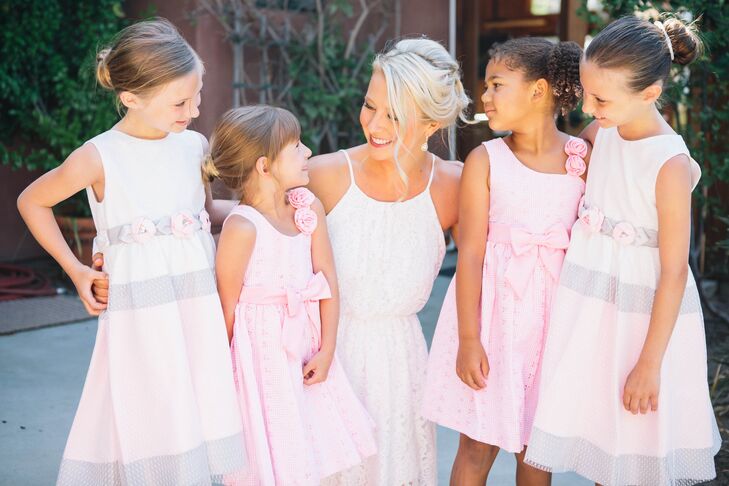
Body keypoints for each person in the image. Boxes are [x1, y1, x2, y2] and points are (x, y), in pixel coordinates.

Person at [16, 18, 247, 485]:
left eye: (196, 96)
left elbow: (202, 213)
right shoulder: (100, 156)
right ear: (131, 98)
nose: (194, 109)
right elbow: (32, 200)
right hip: (141, 314)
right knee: (146, 403)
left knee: (194, 401)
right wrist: (77, 270)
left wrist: (258, 210)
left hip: (195, 308)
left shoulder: (193, 146)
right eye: (180, 102)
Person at [525, 16, 721, 485]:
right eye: (588, 94)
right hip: (590, 307)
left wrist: (650, 364)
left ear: (650, 93)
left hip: (641, 321)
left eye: (601, 99)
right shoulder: (603, 133)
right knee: (599, 433)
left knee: (630, 444)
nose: (589, 108)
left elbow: (674, 272)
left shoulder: (669, 163)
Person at [422, 37, 588, 486]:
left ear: (538, 91)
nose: (485, 97)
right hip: (495, 324)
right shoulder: (486, 160)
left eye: (496, 85)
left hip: (554, 325)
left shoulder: (582, 160)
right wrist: (470, 339)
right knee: (476, 446)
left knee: (537, 452)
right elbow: (471, 254)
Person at [310, 37, 470, 485]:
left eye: (395, 115)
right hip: (326, 357)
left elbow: (487, 269)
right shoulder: (324, 174)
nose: (374, 124)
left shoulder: (454, 185)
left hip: (402, 366)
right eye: (370, 106)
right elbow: (255, 233)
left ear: (433, 121)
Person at [206, 105, 376, 485]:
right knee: (271, 454)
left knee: (307, 450)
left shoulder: (308, 209)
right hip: (261, 362)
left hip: (304, 349)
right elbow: (227, 312)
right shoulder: (242, 228)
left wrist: (328, 347)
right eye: (297, 146)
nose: (308, 153)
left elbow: (327, 280)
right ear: (265, 167)